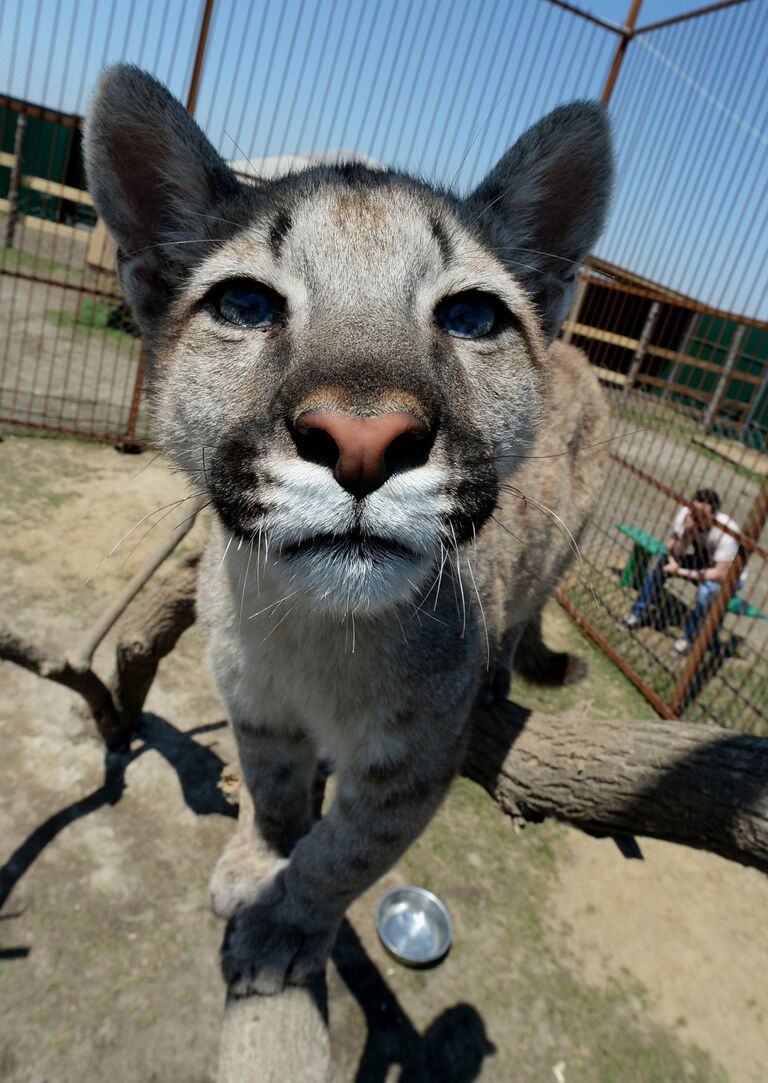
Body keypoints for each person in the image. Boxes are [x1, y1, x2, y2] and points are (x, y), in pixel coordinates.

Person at [623, 488, 745, 655]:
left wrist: (680, 572)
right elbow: (672, 550)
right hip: (702, 562)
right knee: (662, 564)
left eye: (702, 515)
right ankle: (636, 614)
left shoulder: (727, 531)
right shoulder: (686, 516)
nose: (696, 517)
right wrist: (687, 533)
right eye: (694, 512)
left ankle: (688, 639)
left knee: (705, 591)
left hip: (729, 575)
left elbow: (720, 574)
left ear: (714, 515)